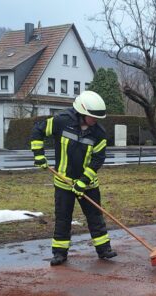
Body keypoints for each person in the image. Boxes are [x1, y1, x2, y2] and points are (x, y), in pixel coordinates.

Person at [30, 90, 117, 266]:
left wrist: (83, 182)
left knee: (95, 216)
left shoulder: (99, 133)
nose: (95, 120)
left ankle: (104, 250)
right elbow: (38, 130)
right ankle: (60, 253)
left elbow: (98, 159)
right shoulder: (61, 121)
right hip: (63, 181)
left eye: (97, 117)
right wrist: (38, 155)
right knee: (63, 217)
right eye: (92, 116)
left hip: (88, 184)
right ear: (81, 112)